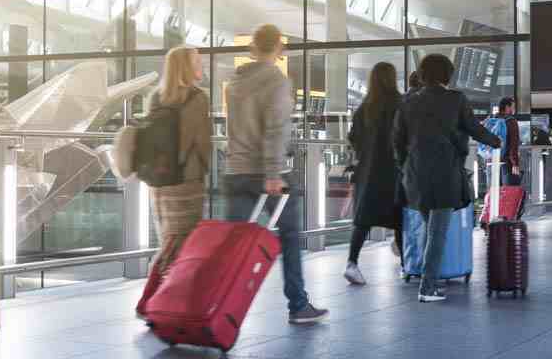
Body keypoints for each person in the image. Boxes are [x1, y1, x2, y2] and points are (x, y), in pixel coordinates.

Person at [223, 24, 328, 324]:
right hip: (267, 174)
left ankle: (212, 302)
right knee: (291, 235)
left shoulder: (235, 81)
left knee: (232, 244)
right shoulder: (277, 82)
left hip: (236, 170)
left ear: (253, 46)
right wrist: (272, 172)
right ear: (279, 49)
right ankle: (298, 304)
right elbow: (275, 130)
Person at [394, 54, 500, 303]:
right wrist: (495, 141)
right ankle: (427, 288)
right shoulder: (455, 99)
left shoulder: (407, 102)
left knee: (429, 230)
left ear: (422, 74)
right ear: (447, 75)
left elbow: (397, 141)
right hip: (444, 175)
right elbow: (473, 127)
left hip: (415, 177)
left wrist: (405, 167)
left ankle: (426, 279)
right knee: (437, 233)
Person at [134, 46, 212, 320]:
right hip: (186, 181)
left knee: (167, 239)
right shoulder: (197, 98)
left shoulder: (155, 97)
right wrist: (205, 168)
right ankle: (157, 302)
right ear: (186, 67)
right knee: (182, 243)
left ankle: (154, 301)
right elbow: (201, 143)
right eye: (197, 61)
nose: (201, 65)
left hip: (157, 181)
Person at [344, 62, 404, 286]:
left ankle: (352, 263)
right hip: (393, 172)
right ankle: (407, 266)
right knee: (399, 218)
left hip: (368, 172)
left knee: (362, 221)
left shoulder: (364, 108)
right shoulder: (400, 104)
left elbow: (353, 138)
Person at [480, 97, 521, 199]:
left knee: (492, 195)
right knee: (507, 196)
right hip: (505, 163)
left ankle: (492, 214)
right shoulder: (511, 121)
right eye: (513, 107)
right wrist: (515, 163)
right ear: (507, 107)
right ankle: (503, 215)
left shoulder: (490, 119)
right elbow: (513, 145)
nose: (514, 109)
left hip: (490, 161)